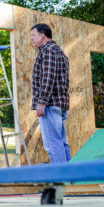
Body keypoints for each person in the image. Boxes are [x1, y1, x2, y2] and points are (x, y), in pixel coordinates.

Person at [30, 23, 71, 163]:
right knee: (62, 142)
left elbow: (48, 77)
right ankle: (70, 180)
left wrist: (41, 102)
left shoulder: (47, 51)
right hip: (60, 104)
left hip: (50, 105)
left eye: (33, 35)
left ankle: (61, 180)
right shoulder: (59, 52)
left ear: (42, 36)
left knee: (53, 144)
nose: (31, 39)